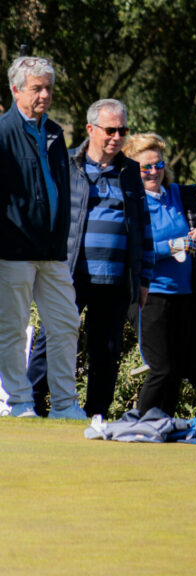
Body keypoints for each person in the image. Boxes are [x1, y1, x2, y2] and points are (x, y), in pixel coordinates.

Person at [27, 99, 154, 418]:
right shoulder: (65, 164)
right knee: (51, 340)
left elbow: (144, 229)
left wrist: (143, 279)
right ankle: (30, 404)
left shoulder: (130, 173)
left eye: (122, 131)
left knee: (106, 353)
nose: (117, 137)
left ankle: (95, 415)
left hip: (115, 280)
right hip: (68, 274)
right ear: (91, 129)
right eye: (110, 130)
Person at [0, 57, 83, 419]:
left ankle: (65, 405)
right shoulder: (2, 132)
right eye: (37, 88)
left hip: (52, 251)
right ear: (16, 90)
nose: (45, 95)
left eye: (48, 87)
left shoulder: (54, 132)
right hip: (13, 250)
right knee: (12, 330)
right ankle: (18, 403)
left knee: (66, 324)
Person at [123, 133, 196, 416]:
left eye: (158, 164)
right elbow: (130, 252)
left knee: (177, 369)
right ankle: (140, 424)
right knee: (160, 368)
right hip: (150, 294)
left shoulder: (180, 195)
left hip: (186, 294)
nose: (153, 171)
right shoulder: (129, 202)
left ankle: (161, 425)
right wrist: (171, 247)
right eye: (145, 167)